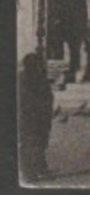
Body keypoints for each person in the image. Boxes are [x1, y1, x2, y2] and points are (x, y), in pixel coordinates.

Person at [20, 53, 55, 181]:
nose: (41, 66)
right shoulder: (24, 79)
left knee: (41, 142)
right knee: (30, 144)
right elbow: (25, 100)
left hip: (42, 116)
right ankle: (28, 172)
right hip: (30, 117)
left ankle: (41, 167)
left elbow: (47, 95)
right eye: (38, 64)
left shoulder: (40, 76)